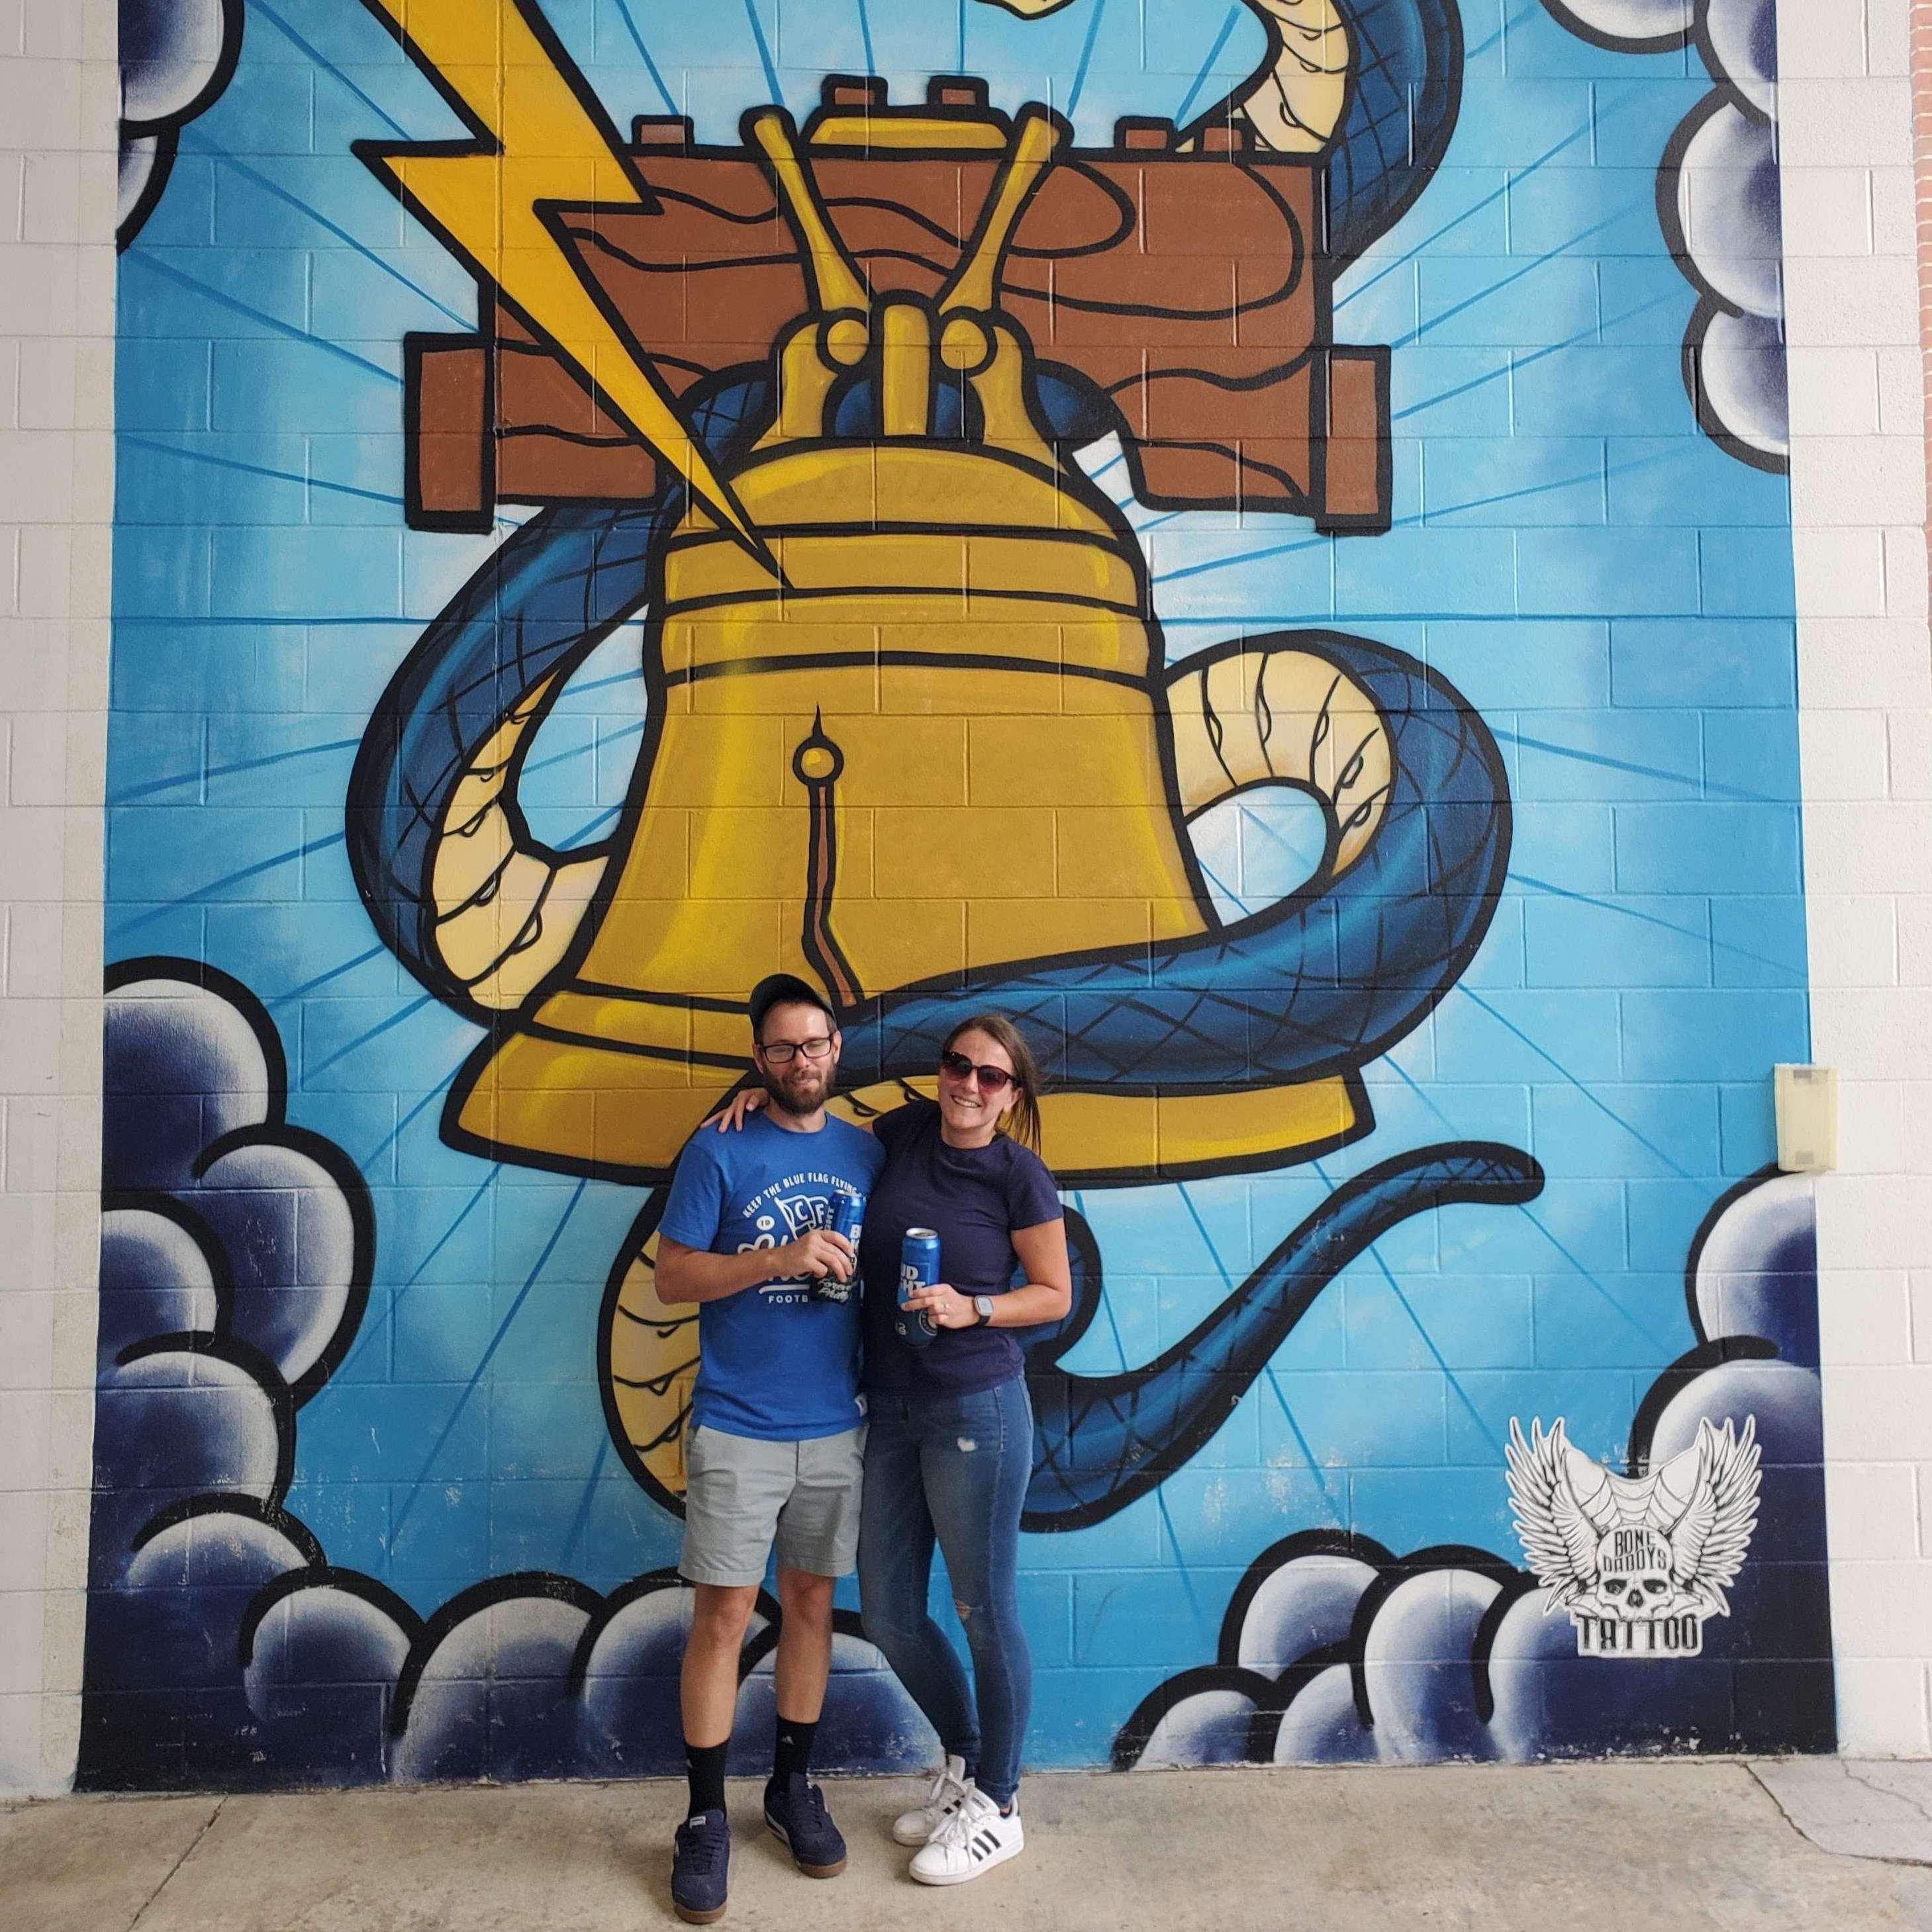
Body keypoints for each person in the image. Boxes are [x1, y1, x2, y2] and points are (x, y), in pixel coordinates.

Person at [711, 1012, 1071, 1885]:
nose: (969, 1085)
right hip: (890, 1405)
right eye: (958, 1065)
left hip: (977, 1409)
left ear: (1012, 1094)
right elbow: (817, 1128)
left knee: (983, 1608)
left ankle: (1000, 1806)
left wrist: (974, 1307)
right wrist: (759, 1101)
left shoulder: (1019, 1176)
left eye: (991, 1076)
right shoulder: (903, 1132)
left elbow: (1053, 1294)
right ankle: (967, 1763)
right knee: (890, 1614)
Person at [653, 973, 885, 1925]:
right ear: (758, 1058)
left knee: (811, 1607)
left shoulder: (868, 1150)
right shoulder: (717, 1147)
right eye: (783, 1047)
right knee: (720, 1617)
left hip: (835, 1425)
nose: (801, 1060)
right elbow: (672, 1278)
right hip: (738, 1426)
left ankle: (790, 1788)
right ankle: (704, 1816)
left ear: (837, 1047)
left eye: (815, 1043)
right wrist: (778, 1259)